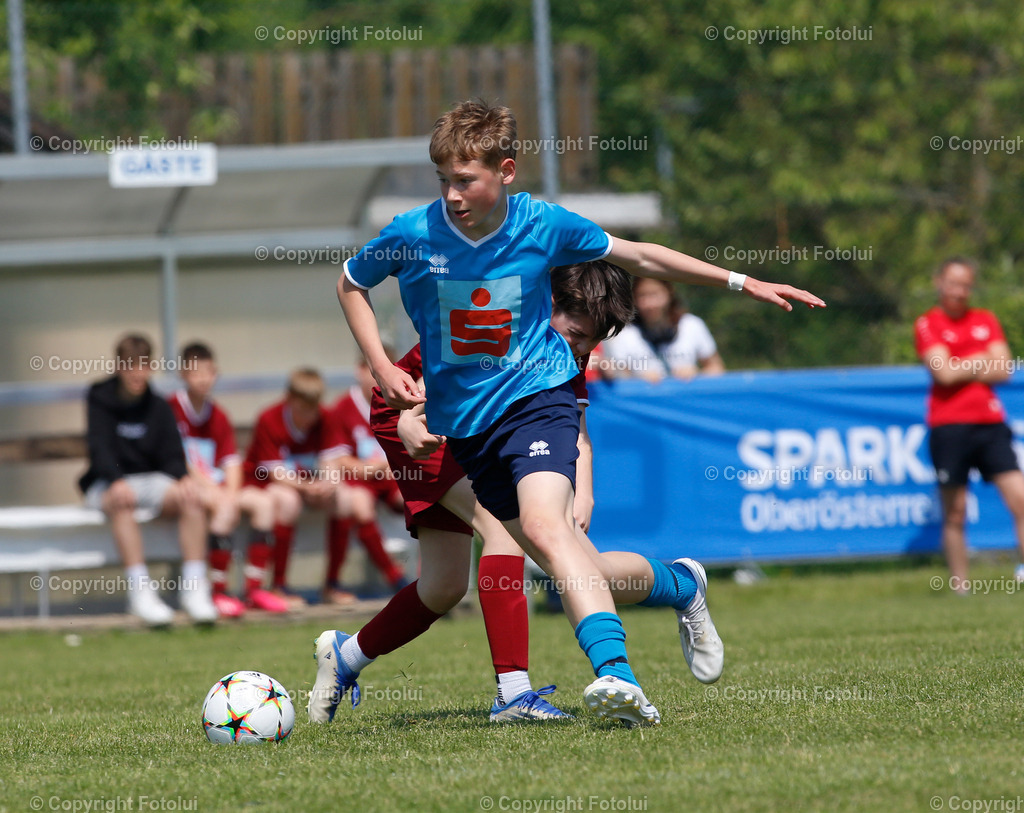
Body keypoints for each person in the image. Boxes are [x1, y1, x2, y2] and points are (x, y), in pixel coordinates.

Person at [331, 100, 825, 726]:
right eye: (444, 181)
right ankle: (681, 585)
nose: (453, 195)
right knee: (573, 561)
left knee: (541, 528)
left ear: (505, 170)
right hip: (471, 426)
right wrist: (381, 368)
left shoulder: (544, 224)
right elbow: (351, 285)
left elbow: (639, 255)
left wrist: (740, 282)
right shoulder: (412, 233)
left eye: (466, 180)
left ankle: (615, 680)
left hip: (539, 402)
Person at [309, 260, 636, 724]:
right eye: (579, 334)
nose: (582, 350)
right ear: (552, 304)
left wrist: (584, 493)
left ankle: (346, 657)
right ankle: (513, 694)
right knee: (501, 525)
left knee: (443, 587)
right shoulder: (507, 320)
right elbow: (430, 385)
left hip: (471, 429)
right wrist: (410, 417)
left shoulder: (563, 346)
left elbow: (576, 428)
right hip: (419, 418)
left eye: (592, 340)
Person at [78, 333, 217, 627]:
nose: (136, 373)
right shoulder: (99, 398)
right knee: (121, 500)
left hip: (150, 483)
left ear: (150, 367)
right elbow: (99, 447)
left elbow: (171, 453)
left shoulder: (158, 405)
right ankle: (140, 594)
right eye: (130, 366)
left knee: (191, 497)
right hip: (106, 484)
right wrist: (116, 480)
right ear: (119, 367)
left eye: (142, 366)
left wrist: (182, 478)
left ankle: (194, 592)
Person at [914, 257, 1024, 593]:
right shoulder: (927, 324)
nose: (959, 292)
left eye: (965, 285)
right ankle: (961, 586)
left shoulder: (985, 319)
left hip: (990, 424)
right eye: (953, 283)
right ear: (939, 282)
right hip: (949, 427)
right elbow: (942, 372)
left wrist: (962, 364)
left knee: (1019, 498)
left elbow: (1004, 368)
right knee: (956, 511)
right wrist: (979, 361)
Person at [242, 367, 372, 609]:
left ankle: (332, 585)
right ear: (289, 399)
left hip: (306, 486)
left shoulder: (326, 417)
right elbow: (273, 473)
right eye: (302, 410)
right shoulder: (269, 418)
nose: (309, 417)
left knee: (343, 498)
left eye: (313, 410)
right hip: (265, 486)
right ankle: (279, 585)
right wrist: (307, 486)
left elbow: (331, 460)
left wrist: (330, 483)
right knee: (289, 501)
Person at [167, 342, 280, 617]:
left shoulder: (218, 415)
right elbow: (177, 458)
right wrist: (218, 493)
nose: (203, 378)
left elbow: (231, 461)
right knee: (225, 506)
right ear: (183, 373)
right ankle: (218, 592)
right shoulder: (170, 409)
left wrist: (230, 491)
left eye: (208, 372)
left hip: (218, 489)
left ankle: (254, 589)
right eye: (196, 372)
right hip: (185, 487)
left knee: (264, 503)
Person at [322, 355, 408, 605]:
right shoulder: (342, 408)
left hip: (394, 479)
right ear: (360, 369)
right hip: (359, 481)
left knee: (427, 498)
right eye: (373, 369)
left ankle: (435, 577)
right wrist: (372, 468)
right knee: (357, 504)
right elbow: (337, 459)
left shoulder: (399, 401)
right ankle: (394, 578)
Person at [602, 276, 725, 382]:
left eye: (654, 294)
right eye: (642, 296)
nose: (649, 304)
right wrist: (639, 381)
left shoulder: (692, 325)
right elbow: (620, 378)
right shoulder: (624, 334)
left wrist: (696, 374)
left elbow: (716, 367)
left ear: (669, 293)